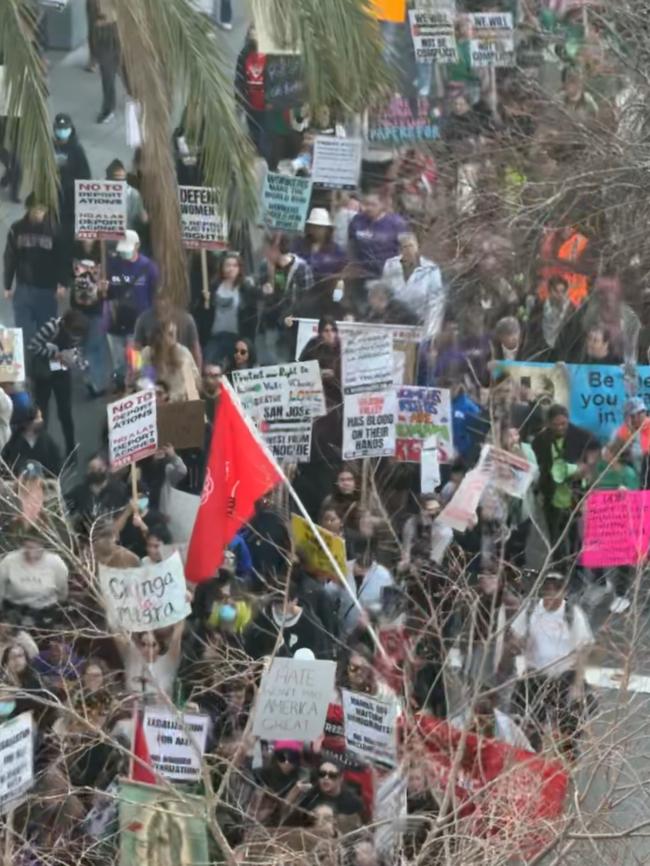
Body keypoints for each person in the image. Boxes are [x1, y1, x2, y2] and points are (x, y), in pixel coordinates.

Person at [510, 572, 594, 758]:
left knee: (573, 720)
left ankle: (567, 754)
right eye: (547, 590)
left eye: (555, 590)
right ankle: (532, 755)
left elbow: (583, 649)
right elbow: (515, 636)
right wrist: (519, 644)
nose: (550, 595)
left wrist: (577, 685)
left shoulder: (572, 614)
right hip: (536, 675)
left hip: (564, 676)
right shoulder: (531, 609)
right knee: (527, 722)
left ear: (563, 592)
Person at [3, 195, 67, 344]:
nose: (39, 213)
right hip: (24, 287)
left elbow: (62, 259)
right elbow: (10, 257)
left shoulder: (54, 230)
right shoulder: (17, 228)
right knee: (23, 333)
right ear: (28, 208)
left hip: (47, 289)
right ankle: (27, 363)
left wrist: (62, 283)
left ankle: (42, 365)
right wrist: (7, 285)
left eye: (42, 209)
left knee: (46, 333)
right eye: (36, 209)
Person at [532, 404, 595, 551]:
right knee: (555, 538)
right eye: (556, 425)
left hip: (575, 495)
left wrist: (583, 470)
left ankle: (575, 569)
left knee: (576, 537)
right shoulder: (540, 441)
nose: (560, 428)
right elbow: (537, 466)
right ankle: (558, 569)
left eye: (563, 424)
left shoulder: (581, 437)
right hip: (551, 496)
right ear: (548, 423)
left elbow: (591, 464)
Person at [28, 309, 89, 459]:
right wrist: (54, 355)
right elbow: (33, 346)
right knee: (42, 413)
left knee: (65, 413)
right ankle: (41, 450)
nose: (75, 338)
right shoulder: (51, 327)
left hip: (61, 372)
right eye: (73, 335)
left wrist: (78, 362)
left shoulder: (77, 332)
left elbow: (76, 350)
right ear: (66, 325)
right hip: (44, 374)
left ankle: (71, 449)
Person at [105, 229, 159, 384]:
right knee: (119, 363)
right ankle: (121, 386)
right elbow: (107, 294)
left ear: (137, 246)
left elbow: (155, 295)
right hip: (115, 322)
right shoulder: (113, 265)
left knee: (136, 364)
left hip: (137, 326)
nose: (124, 254)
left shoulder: (149, 268)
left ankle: (138, 386)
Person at [256, 233, 314, 364]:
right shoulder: (265, 266)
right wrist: (267, 283)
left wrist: (293, 313)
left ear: (275, 248)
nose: (264, 252)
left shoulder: (301, 268)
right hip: (270, 323)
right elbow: (260, 294)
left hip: (292, 327)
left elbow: (308, 300)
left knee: (287, 362)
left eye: (267, 248)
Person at [0, 534, 69, 628]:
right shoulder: (9, 561)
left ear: (43, 547)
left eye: (34, 548)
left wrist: (59, 606)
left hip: (44, 610)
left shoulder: (56, 563)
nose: (30, 552)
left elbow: (62, 590)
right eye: (27, 547)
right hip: (14, 608)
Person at [382, 232, 445, 335]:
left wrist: (432, 330)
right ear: (400, 250)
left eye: (411, 246)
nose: (408, 250)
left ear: (417, 246)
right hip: (394, 322)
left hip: (420, 323)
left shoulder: (431, 269)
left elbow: (436, 301)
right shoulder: (390, 265)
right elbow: (385, 292)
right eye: (404, 247)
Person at [326, 551, 394, 638]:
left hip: (365, 636)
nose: (365, 556)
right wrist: (335, 583)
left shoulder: (383, 576)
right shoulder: (344, 567)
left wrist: (371, 613)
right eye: (361, 551)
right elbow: (328, 595)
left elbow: (388, 606)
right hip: (340, 631)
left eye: (368, 552)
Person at [52, 113, 92, 259]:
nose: (62, 132)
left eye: (65, 128)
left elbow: (86, 177)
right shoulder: (50, 147)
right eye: (59, 128)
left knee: (68, 235)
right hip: (54, 199)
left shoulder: (77, 150)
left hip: (71, 202)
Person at [205, 253, 255, 365]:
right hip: (216, 336)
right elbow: (205, 313)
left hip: (236, 338)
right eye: (227, 265)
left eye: (234, 265)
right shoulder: (213, 287)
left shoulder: (245, 288)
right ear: (222, 268)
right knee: (209, 365)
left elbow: (251, 315)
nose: (231, 269)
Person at [348, 192, 408, 282]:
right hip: (362, 272)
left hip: (388, 273)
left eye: (373, 205)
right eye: (366, 204)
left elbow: (406, 247)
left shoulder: (396, 223)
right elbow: (351, 243)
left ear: (382, 205)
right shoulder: (357, 220)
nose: (369, 208)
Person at [134, 294, 202, 370]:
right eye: (159, 298)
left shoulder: (184, 353)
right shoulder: (147, 353)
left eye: (171, 334)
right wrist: (135, 372)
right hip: (153, 371)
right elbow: (137, 349)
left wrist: (198, 374)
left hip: (178, 372)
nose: (162, 303)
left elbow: (195, 349)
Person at [140, 319, 201, 401]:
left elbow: (192, 384)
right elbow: (144, 380)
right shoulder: (147, 353)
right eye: (170, 334)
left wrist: (170, 397)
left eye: (175, 334)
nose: (174, 339)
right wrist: (155, 393)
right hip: (154, 402)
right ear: (159, 336)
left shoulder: (183, 353)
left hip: (180, 403)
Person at [292, 209, 347, 290]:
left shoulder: (335, 250)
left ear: (327, 230)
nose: (316, 230)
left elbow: (342, 273)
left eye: (319, 227)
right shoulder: (299, 245)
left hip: (325, 292)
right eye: (313, 227)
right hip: (301, 290)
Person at [2, 404, 62, 476]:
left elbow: (56, 462)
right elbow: (7, 465)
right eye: (38, 418)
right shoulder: (14, 443)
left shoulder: (46, 440)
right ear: (28, 422)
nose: (41, 420)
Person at [298, 316, 341, 407]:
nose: (330, 334)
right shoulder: (313, 346)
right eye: (326, 331)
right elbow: (301, 369)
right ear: (321, 332)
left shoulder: (341, 347)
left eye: (333, 330)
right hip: (317, 393)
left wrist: (335, 373)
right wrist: (318, 372)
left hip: (338, 394)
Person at [93, 0, 123, 124]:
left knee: (130, 73)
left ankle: (140, 100)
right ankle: (108, 108)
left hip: (122, 27)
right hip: (106, 29)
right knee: (107, 74)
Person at [105, 158, 147, 229]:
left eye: (123, 180)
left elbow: (144, 218)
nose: (121, 184)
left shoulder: (134, 195)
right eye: (117, 180)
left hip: (127, 235)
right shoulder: (100, 193)